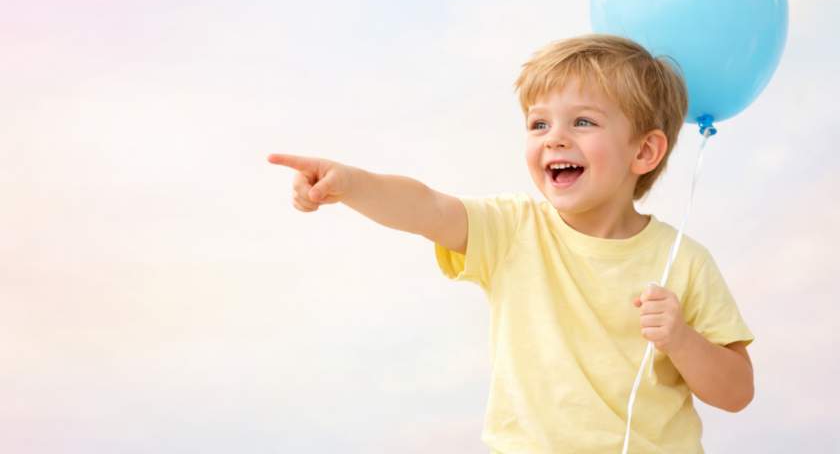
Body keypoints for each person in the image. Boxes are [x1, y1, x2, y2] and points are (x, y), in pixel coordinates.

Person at [268, 34, 754, 454]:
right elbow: (427, 208)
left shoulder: (684, 261)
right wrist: (352, 183)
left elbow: (737, 391)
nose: (554, 138)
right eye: (539, 124)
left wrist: (682, 341)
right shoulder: (512, 229)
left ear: (644, 151)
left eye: (582, 122)